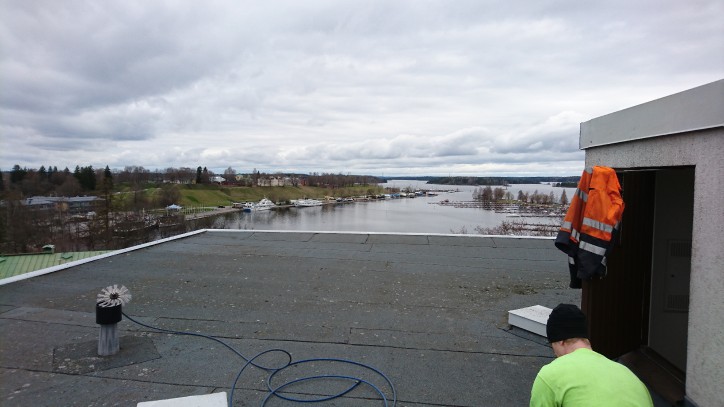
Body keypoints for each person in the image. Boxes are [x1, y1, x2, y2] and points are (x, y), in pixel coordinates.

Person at [530, 304, 653, 407]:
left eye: (552, 347)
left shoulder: (550, 375)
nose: (555, 354)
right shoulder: (631, 377)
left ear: (560, 341)